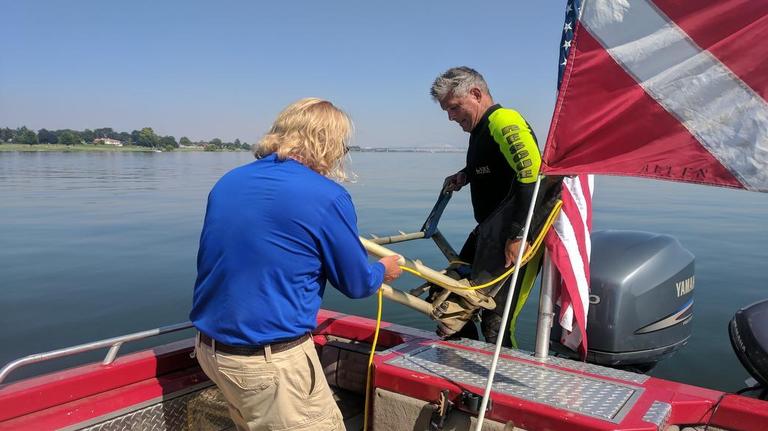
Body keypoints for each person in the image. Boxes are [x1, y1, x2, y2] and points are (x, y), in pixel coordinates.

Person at [190, 98, 402, 431]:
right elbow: (356, 284)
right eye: (341, 145)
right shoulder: (326, 196)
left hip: (210, 351)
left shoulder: (229, 182)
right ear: (327, 143)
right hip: (267, 363)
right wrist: (384, 269)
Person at [430, 66, 546, 346]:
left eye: (454, 108)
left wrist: (520, 234)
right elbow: (493, 166)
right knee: (445, 295)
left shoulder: (504, 121)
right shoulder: (480, 131)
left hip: (516, 239)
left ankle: (500, 384)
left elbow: (532, 174)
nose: (451, 117)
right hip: (489, 232)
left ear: (476, 93)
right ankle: (463, 366)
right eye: (447, 111)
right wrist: (464, 175)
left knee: (498, 322)